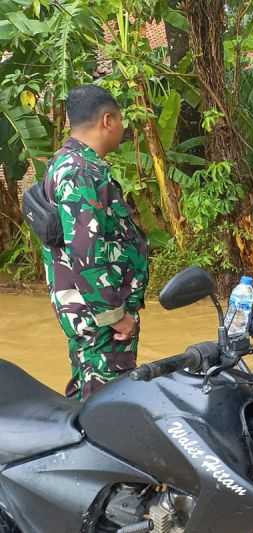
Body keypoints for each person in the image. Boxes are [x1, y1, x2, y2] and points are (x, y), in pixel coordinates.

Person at [42, 84, 148, 400]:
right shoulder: (79, 171)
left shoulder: (67, 163)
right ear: (107, 120)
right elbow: (84, 252)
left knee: (91, 390)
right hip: (101, 318)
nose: (123, 127)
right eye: (120, 119)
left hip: (93, 312)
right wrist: (116, 315)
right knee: (104, 402)